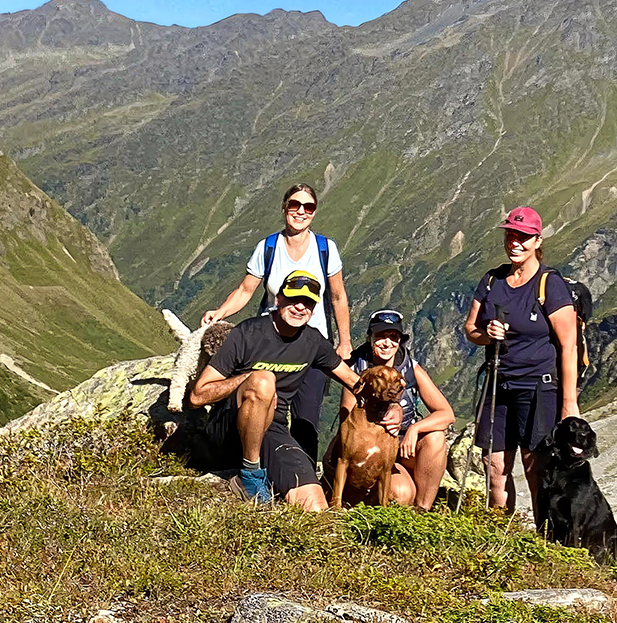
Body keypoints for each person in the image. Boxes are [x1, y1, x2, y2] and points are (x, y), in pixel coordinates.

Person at [200, 183, 351, 463]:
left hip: (312, 346)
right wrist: (220, 312)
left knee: (307, 418)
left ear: (315, 212)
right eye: (294, 205)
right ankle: (253, 465)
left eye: (308, 207)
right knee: (264, 407)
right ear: (284, 208)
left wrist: (344, 342)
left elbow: (338, 296)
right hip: (269, 342)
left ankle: (302, 477)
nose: (301, 212)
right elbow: (246, 290)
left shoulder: (325, 249)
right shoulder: (268, 247)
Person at [190, 270, 360, 511]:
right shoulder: (247, 333)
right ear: (278, 299)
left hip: (272, 429)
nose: (300, 307)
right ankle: (250, 475)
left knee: (314, 503)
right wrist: (247, 378)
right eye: (293, 299)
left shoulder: (312, 341)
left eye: (308, 303)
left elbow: (355, 382)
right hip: (228, 428)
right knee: (263, 381)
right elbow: (198, 395)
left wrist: (391, 403)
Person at [463, 206, 580, 521]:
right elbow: (470, 328)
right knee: (494, 467)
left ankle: (545, 538)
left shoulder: (549, 284)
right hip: (498, 384)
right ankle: (502, 533)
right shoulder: (492, 280)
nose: (515, 242)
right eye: (511, 235)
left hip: (538, 387)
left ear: (538, 240)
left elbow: (569, 345)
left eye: (524, 237)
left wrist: (569, 404)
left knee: (535, 466)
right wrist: (486, 335)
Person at [338, 310, 456, 510]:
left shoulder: (411, 368)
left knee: (436, 438)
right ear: (370, 338)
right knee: (400, 494)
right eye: (380, 336)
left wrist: (414, 428)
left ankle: (422, 512)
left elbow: (447, 414)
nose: (387, 343)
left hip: (401, 447)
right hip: (367, 448)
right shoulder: (356, 371)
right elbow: (347, 421)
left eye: (393, 337)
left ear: (400, 340)